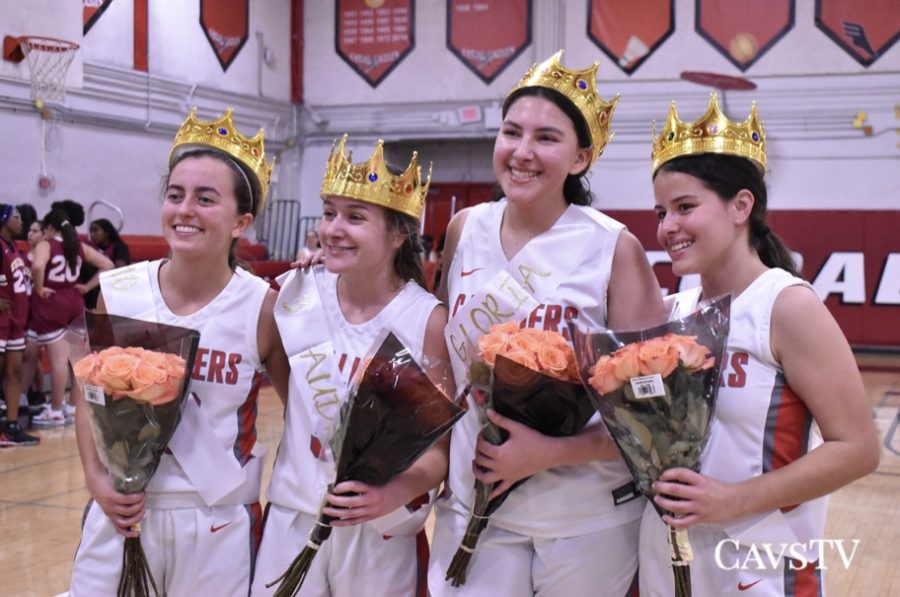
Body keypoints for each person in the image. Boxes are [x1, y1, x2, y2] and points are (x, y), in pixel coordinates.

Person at [428, 51, 666, 596]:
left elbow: (655, 409)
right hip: (474, 501)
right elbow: (442, 356)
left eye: (547, 138)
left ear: (581, 158)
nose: (523, 151)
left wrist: (550, 453)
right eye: (512, 132)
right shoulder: (465, 228)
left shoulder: (613, 247)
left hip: (583, 515)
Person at [640, 93, 880, 595]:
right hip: (672, 558)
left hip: (763, 562)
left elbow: (858, 448)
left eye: (685, 207)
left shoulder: (786, 304)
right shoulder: (677, 309)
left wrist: (733, 499)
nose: (667, 227)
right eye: (661, 211)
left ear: (741, 206)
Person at [69, 107, 290, 596]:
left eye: (205, 199)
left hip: (216, 520)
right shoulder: (120, 289)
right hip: (123, 509)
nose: (184, 209)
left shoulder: (263, 306)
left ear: (242, 221)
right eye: (175, 195)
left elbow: (303, 413)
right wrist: (95, 480)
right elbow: (90, 397)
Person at [252, 135, 452, 596]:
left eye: (355, 217)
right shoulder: (295, 292)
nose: (333, 229)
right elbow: (285, 382)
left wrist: (393, 493)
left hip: (380, 528)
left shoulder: (427, 320)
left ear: (399, 233)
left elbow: (437, 448)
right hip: (293, 513)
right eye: (328, 213)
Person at [29, 209, 113, 427]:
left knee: (58, 361)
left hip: (53, 302)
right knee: (78, 360)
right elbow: (108, 265)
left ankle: (56, 410)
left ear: (49, 228)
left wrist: (38, 288)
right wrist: (87, 286)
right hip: (75, 302)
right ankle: (73, 407)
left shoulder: (46, 244)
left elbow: (38, 266)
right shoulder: (78, 245)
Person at [0, 205, 40, 446]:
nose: (21, 222)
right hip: (1, 320)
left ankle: (12, 427)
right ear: (3, 221)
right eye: (16, 218)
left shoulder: (15, 249)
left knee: (14, 372)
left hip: (15, 321)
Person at [82, 218, 131, 309]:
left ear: (107, 232)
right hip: (94, 288)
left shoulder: (119, 247)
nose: (92, 234)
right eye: (91, 231)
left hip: (112, 289)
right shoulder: (91, 248)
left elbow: (120, 271)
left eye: (96, 230)